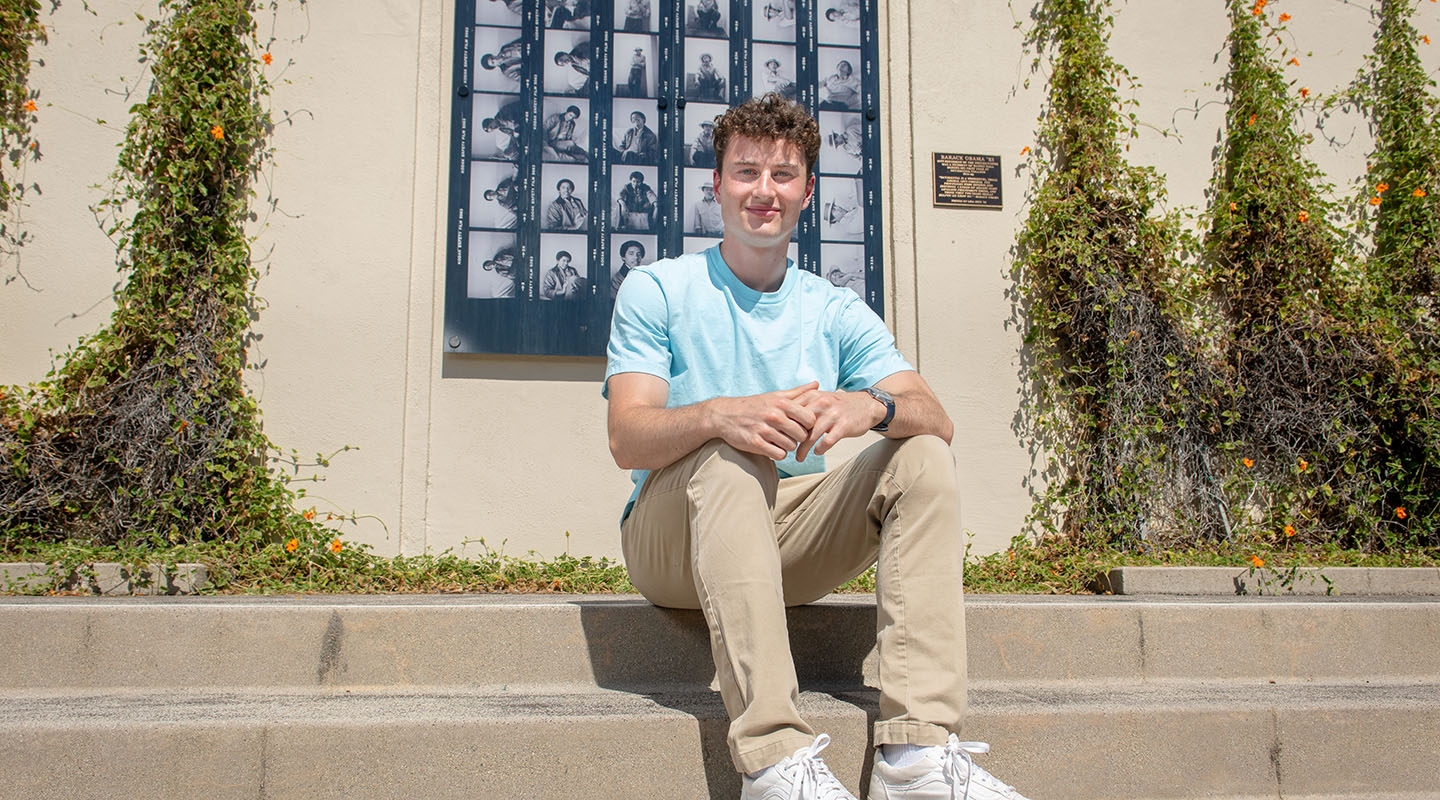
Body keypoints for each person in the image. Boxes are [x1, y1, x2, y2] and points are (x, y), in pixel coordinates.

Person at [603, 93, 1031, 800]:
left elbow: (936, 415)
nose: (763, 191)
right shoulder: (659, 289)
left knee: (921, 451)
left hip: (785, 534)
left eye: (782, 175)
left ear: (806, 190)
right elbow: (627, 436)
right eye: (745, 173)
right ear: (716, 187)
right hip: (672, 534)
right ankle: (774, 760)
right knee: (729, 454)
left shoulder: (834, 308)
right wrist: (718, 415)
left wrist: (871, 405)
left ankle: (915, 759)